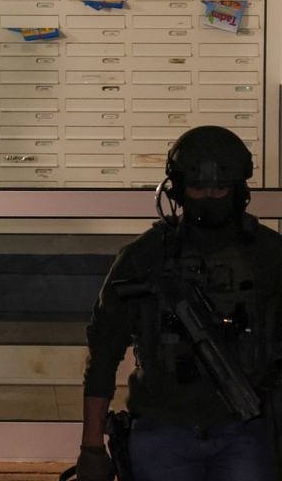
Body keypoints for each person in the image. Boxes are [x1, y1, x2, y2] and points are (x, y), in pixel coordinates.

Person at [77, 126, 281, 481]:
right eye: (197, 188)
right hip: (163, 428)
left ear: (238, 190)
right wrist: (91, 447)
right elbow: (103, 350)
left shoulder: (268, 255)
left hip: (246, 429)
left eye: (219, 188)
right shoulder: (145, 256)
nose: (209, 197)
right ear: (177, 189)